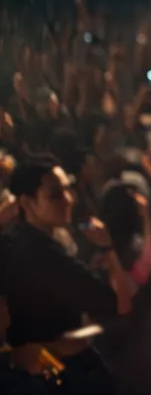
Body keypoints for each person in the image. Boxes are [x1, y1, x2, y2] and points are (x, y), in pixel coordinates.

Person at [1, 157, 135, 394]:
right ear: (27, 202)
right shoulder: (43, 255)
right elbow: (122, 303)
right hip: (57, 370)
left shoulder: (13, 239)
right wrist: (108, 248)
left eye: (67, 190)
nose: (68, 200)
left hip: (29, 365)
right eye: (56, 195)